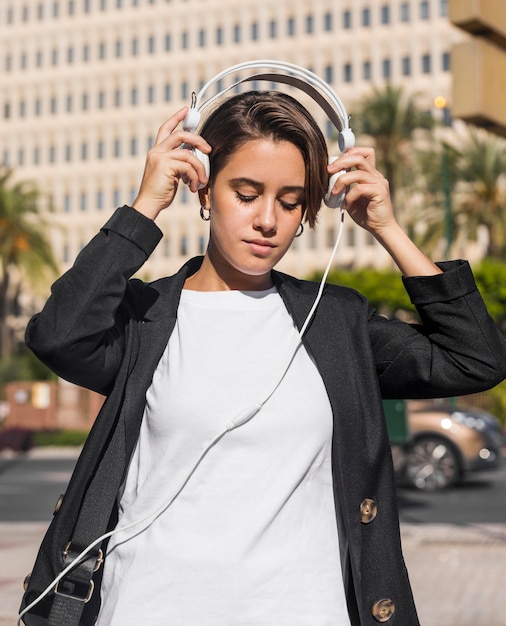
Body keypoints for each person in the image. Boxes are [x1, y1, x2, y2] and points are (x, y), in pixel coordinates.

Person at [20, 89, 506, 626]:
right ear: (204, 191)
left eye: (291, 200)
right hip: (151, 608)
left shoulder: (334, 320)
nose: (268, 220)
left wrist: (388, 228)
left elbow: (473, 361)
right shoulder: (146, 318)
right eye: (246, 193)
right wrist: (144, 207)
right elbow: (58, 336)